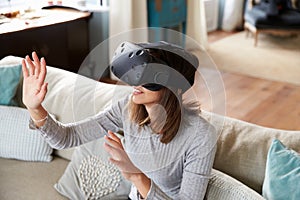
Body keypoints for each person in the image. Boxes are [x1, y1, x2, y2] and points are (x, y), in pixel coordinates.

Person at [22, 41, 217, 200]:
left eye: (148, 75)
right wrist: (34, 107)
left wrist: (136, 175)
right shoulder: (126, 109)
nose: (135, 82)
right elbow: (67, 138)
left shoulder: (200, 135)